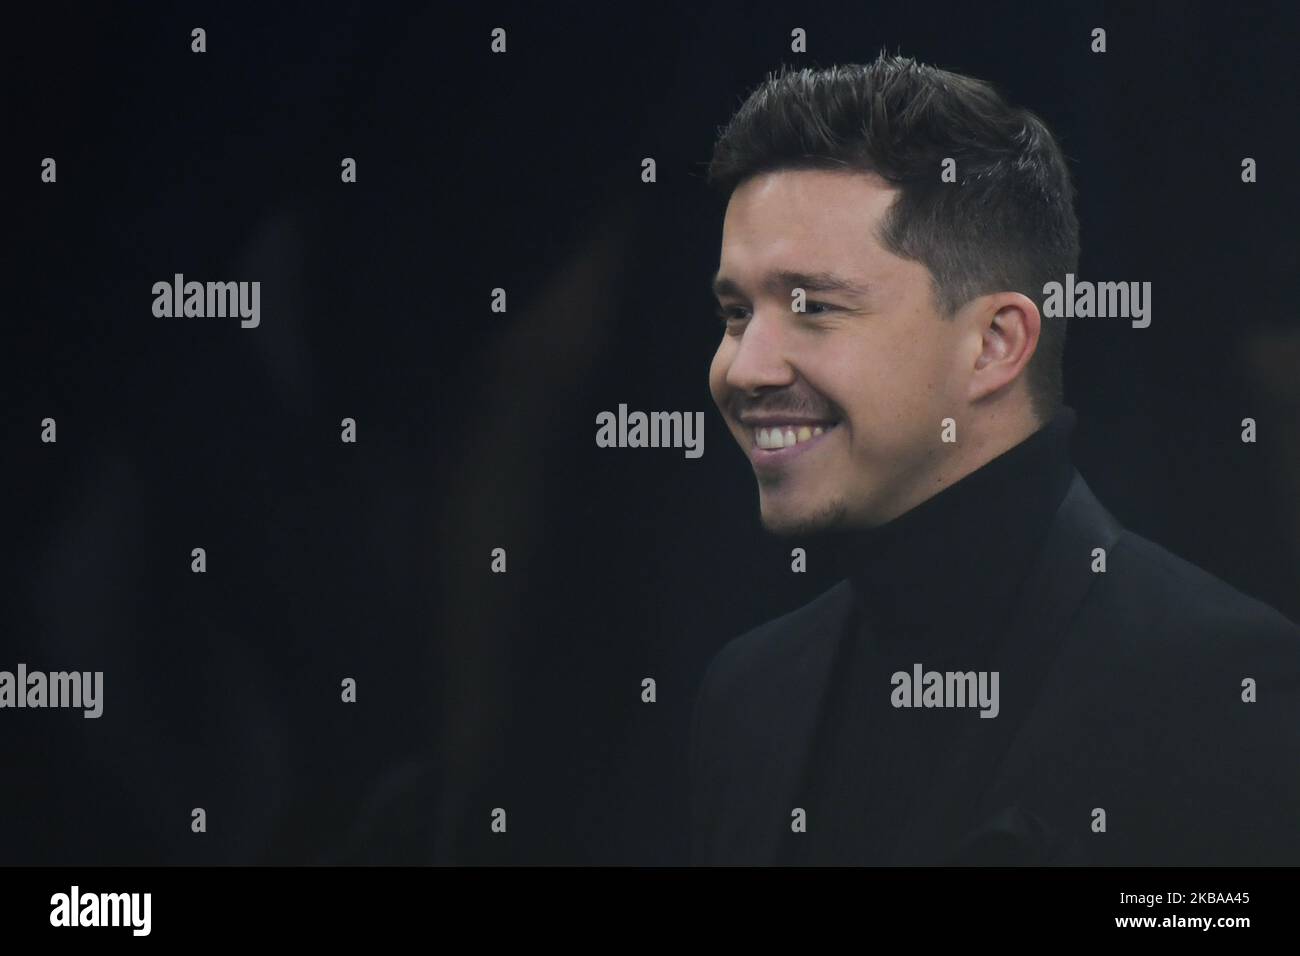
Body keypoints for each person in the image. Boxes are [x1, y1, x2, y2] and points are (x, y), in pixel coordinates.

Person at [690, 54, 1300, 865]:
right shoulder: (748, 696)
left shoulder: (1228, 688)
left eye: (813, 307)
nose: (744, 367)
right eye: (736, 312)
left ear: (995, 343)